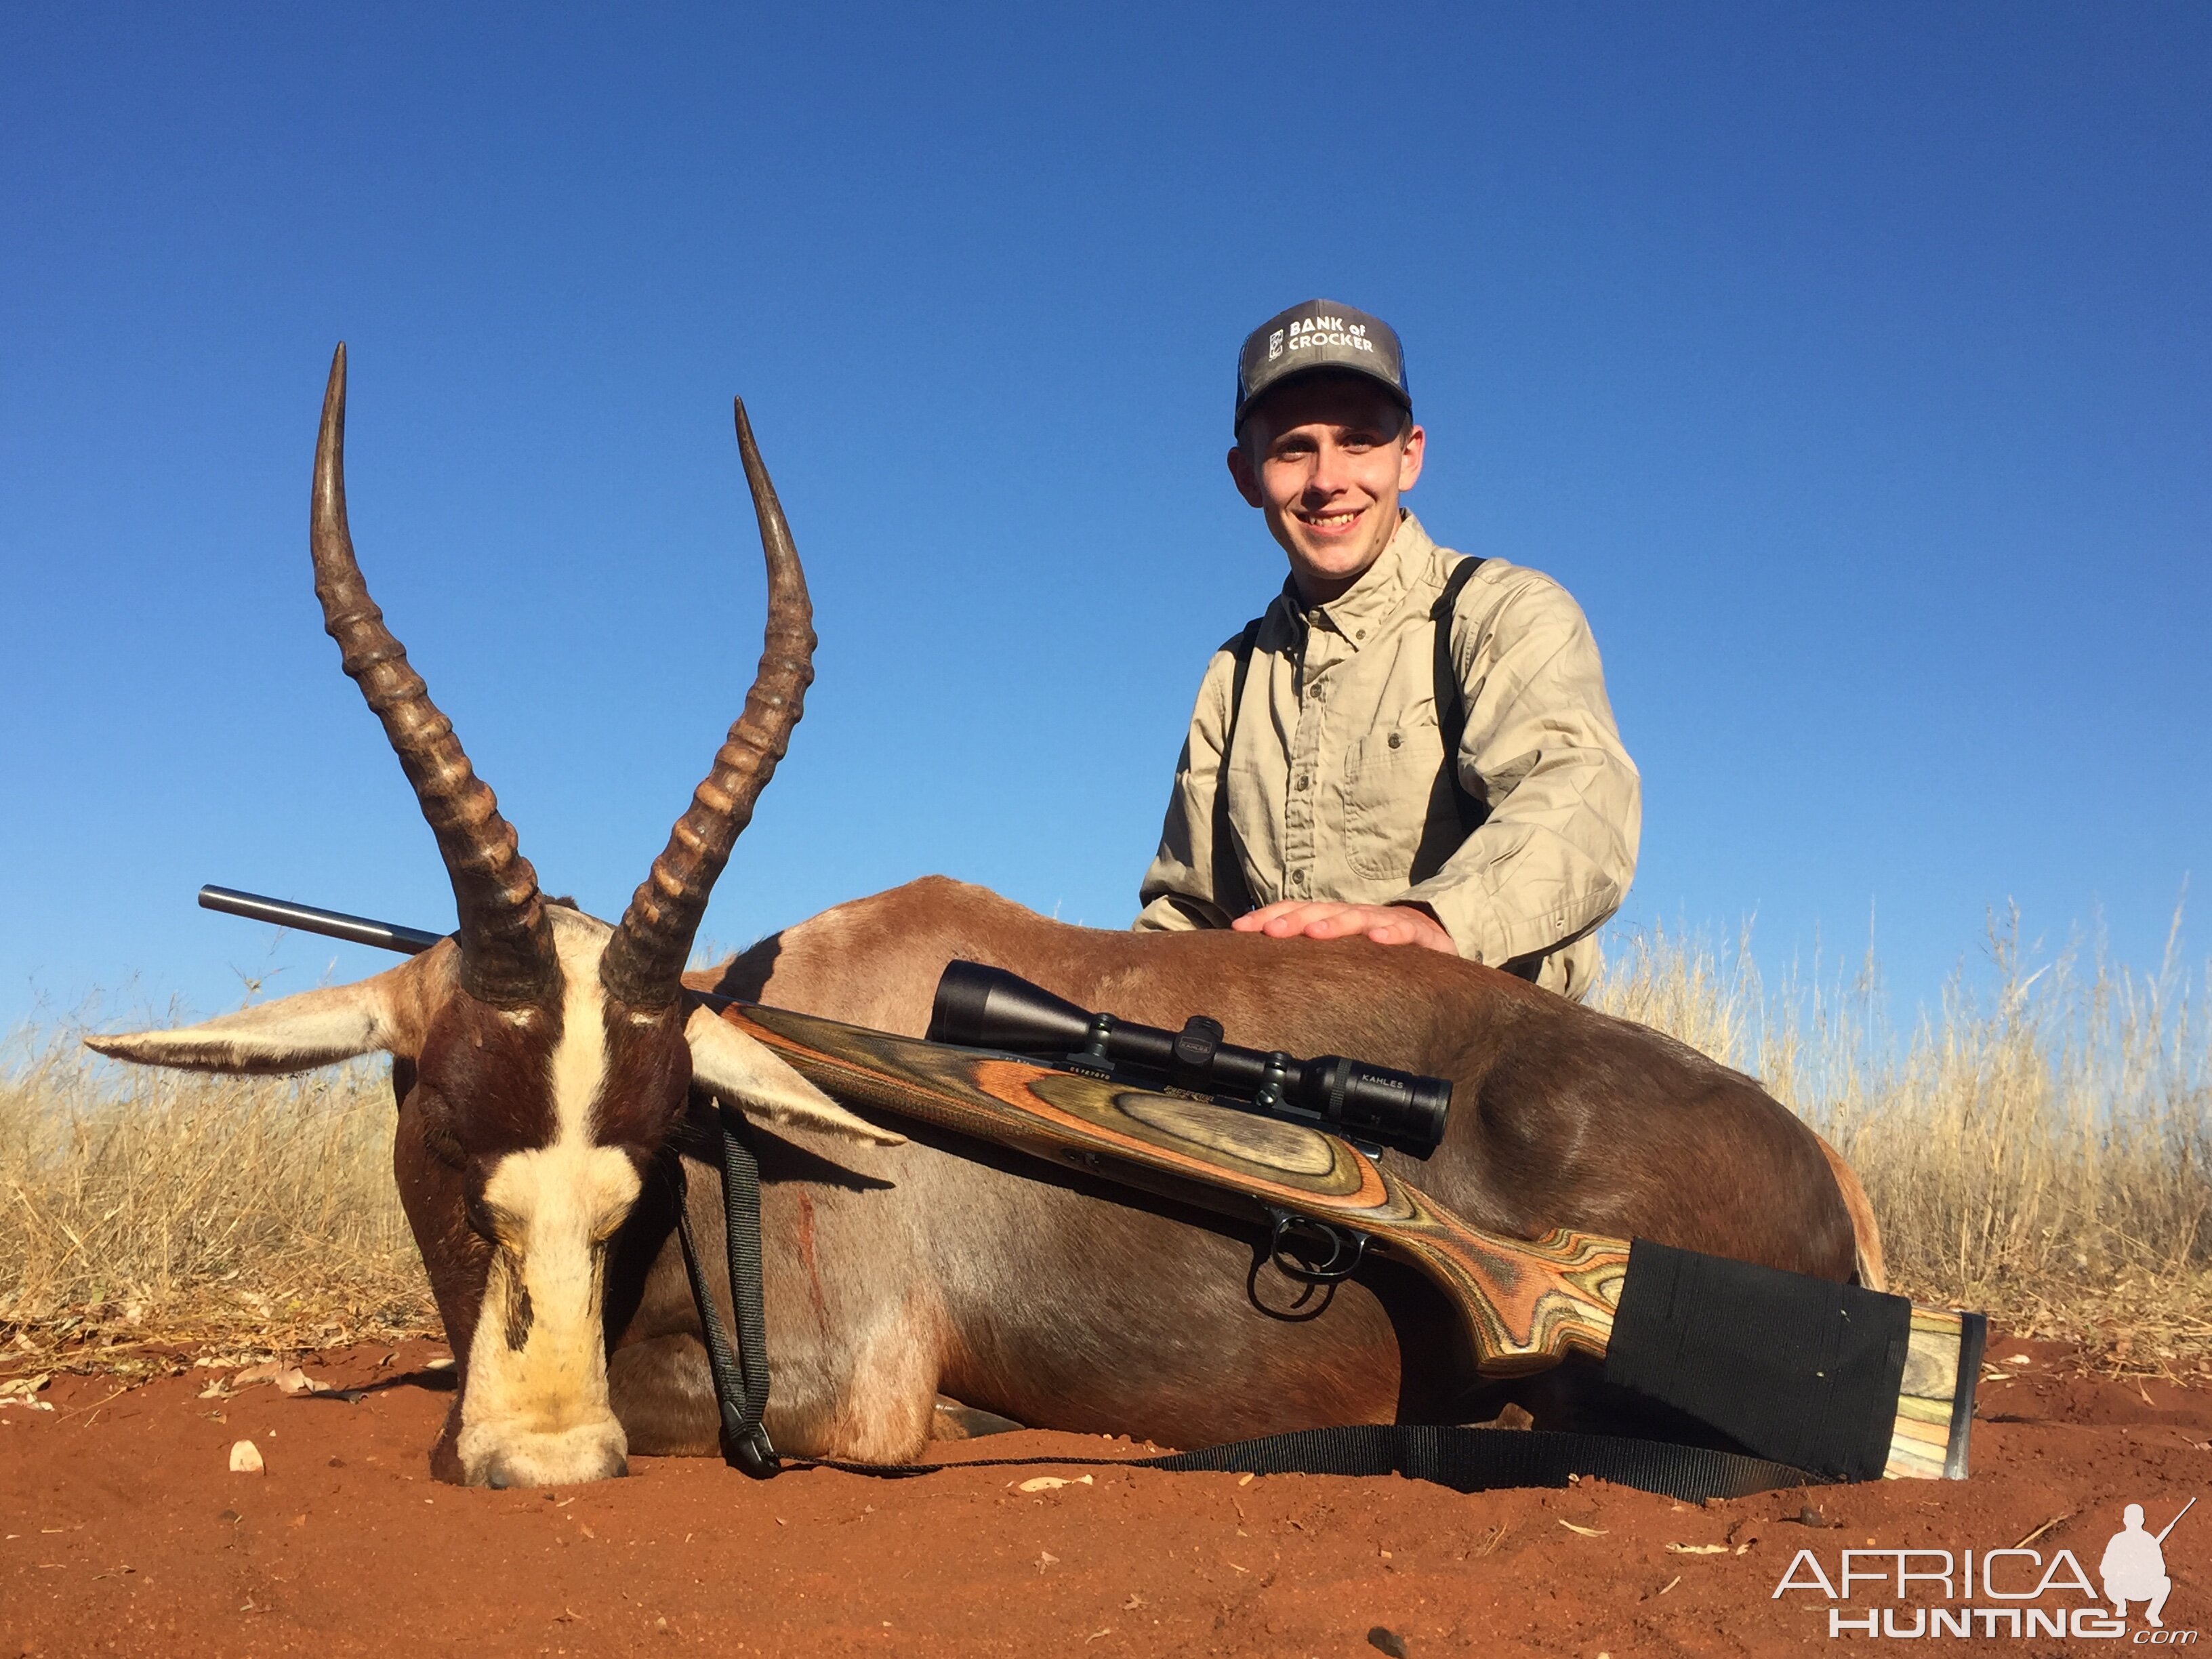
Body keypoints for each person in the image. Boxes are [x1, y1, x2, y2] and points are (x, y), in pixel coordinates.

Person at [1134, 300, 1640, 1000]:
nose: (1327, 479)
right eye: (1292, 448)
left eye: (1359, 441)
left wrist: (1429, 924)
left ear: (1410, 456)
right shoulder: (1235, 673)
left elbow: (1581, 799)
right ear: (1247, 477)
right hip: (1278, 1058)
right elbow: (1189, 914)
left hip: (1484, 1059)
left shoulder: (1500, 611)